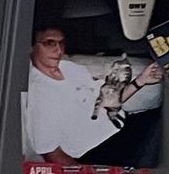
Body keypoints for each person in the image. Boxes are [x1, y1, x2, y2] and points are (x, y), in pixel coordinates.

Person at [23, 24, 113, 161]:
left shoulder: (73, 69)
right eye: (49, 43)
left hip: (118, 123)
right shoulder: (36, 90)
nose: (58, 50)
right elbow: (51, 152)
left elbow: (102, 99)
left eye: (61, 43)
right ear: (32, 47)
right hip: (95, 151)